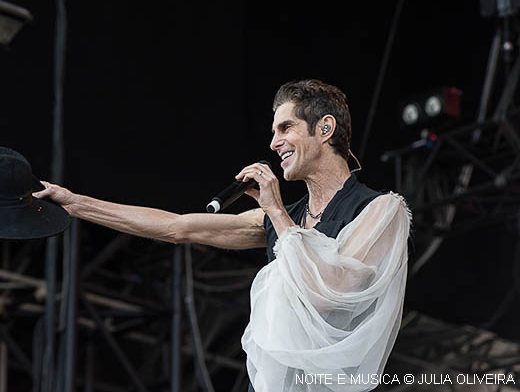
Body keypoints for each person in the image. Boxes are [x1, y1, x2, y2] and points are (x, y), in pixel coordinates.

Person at [33, 79, 411, 392]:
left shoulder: (380, 210)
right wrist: (76, 203)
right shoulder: (285, 219)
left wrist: (276, 211)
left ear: (325, 129)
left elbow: (332, 292)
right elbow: (177, 227)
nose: (273, 143)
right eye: (273, 131)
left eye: (285, 128)